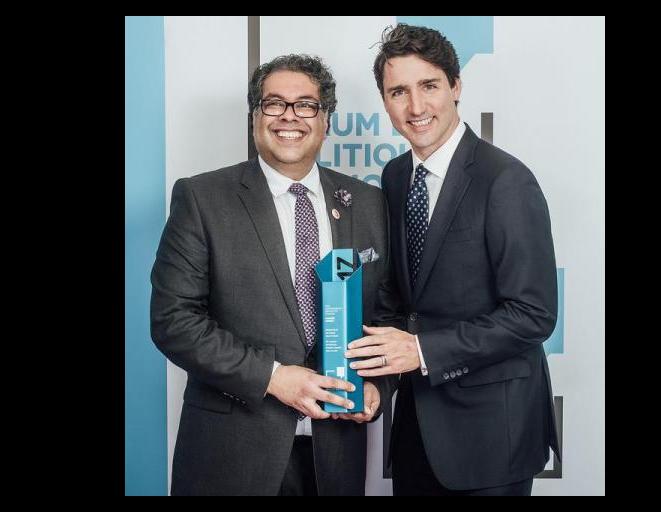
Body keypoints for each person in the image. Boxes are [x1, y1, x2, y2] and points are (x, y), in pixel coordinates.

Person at [151, 54, 395, 496]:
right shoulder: (202, 198)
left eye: (306, 105)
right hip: (233, 454)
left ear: (326, 121)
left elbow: (386, 314)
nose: (289, 117)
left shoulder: (367, 202)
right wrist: (272, 377)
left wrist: (378, 386)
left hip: (336, 455)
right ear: (255, 116)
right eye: (274, 103)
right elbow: (174, 320)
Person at [344, 24, 561, 496]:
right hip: (416, 433)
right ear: (385, 101)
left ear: (456, 86)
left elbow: (533, 314)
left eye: (429, 86)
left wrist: (422, 352)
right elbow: (400, 300)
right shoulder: (395, 176)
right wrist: (375, 380)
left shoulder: (505, 180)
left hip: (492, 435)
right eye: (399, 92)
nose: (416, 107)